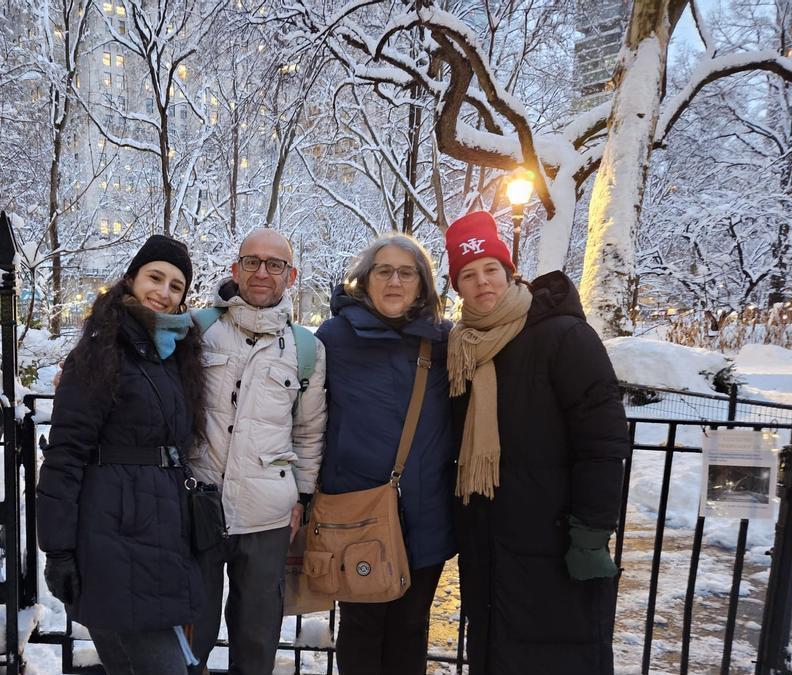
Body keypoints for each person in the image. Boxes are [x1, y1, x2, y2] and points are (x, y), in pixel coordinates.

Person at [446, 211, 629, 674]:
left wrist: (589, 533)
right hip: (490, 544)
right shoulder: (464, 348)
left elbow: (603, 444)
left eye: (491, 269)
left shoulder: (565, 337)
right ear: (457, 286)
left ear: (510, 272)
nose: (482, 283)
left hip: (554, 542)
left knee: (557, 655)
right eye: (468, 275)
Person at [37, 235, 206, 675]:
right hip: (113, 536)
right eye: (155, 277)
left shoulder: (171, 354)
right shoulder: (100, 352)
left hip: (161, 536)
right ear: (131, 279)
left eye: (176, 285)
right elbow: (65, 455)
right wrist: (58, 549)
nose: (163, 292)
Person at [314, 233, 457, 674]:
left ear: (422, 284)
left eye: (406, 272)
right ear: (365, 279)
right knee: (361, 628)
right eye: (384, 271)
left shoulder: (444, 341)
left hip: (426, 512)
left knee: (412, 628)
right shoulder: (334, 338)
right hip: (357, 514)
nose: (395, 281)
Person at [188, 228, 327, 675]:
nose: (262, 272)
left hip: (267, 515)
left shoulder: (308, 350)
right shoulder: (199, 330)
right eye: (252, 262)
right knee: (191, 634)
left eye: (275, 264)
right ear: (235, 269)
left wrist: (303, 498)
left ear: (291, 275)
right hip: (197, 504)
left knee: (256, 639)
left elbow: (308, 433)